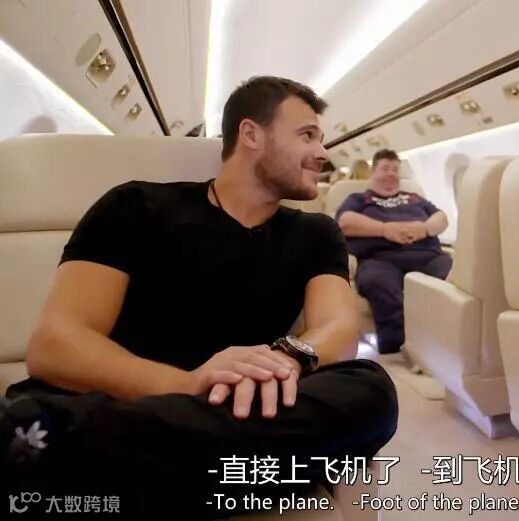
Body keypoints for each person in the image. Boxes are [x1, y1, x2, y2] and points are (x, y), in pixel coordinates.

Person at [0, 76, 398, 517]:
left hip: (193, 418)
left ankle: (70, 459)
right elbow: (55, 345)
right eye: (307, 135)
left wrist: (285, 358)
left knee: (371, 389)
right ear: (251, 134)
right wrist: (190, 384)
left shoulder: (316, 233)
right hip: (129, 399)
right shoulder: (136, 206)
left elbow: (338, 327)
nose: (323, 153)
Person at [336, 149, 450, 354]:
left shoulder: (414, 198)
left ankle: (447, 345)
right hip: (380, 259)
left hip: (428, 256)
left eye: (395, 169)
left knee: (455, 275)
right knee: (378, 282)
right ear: (373, 172)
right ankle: (397, 351)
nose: (391, 173)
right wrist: (385, 229)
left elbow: (441, 218)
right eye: (385, 168)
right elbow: (345, 222)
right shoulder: (360, 199)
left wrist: (424, 229)